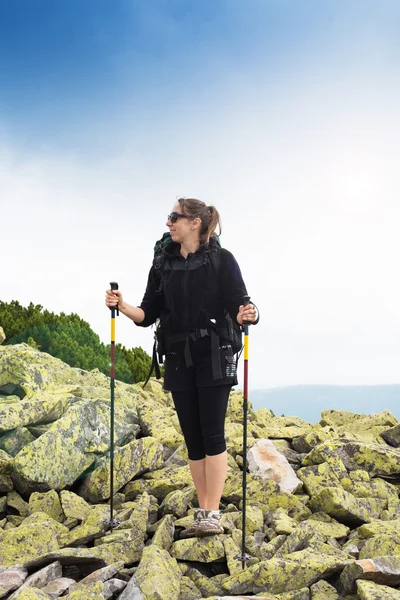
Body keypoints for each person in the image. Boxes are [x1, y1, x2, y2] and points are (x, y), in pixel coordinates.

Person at [105, 197, 258, 537]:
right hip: (177, 356)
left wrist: (250, 314)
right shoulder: (162, 264)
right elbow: (148, 315)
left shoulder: (222, 260)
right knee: (192, 438)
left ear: (195, 223)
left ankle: (211, 511)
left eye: (174, 217)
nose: (168, 223)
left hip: (215, 353)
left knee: (212, 433)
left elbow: (241, 303)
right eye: (169, 217)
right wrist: (123, 305)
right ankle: (204, 511)